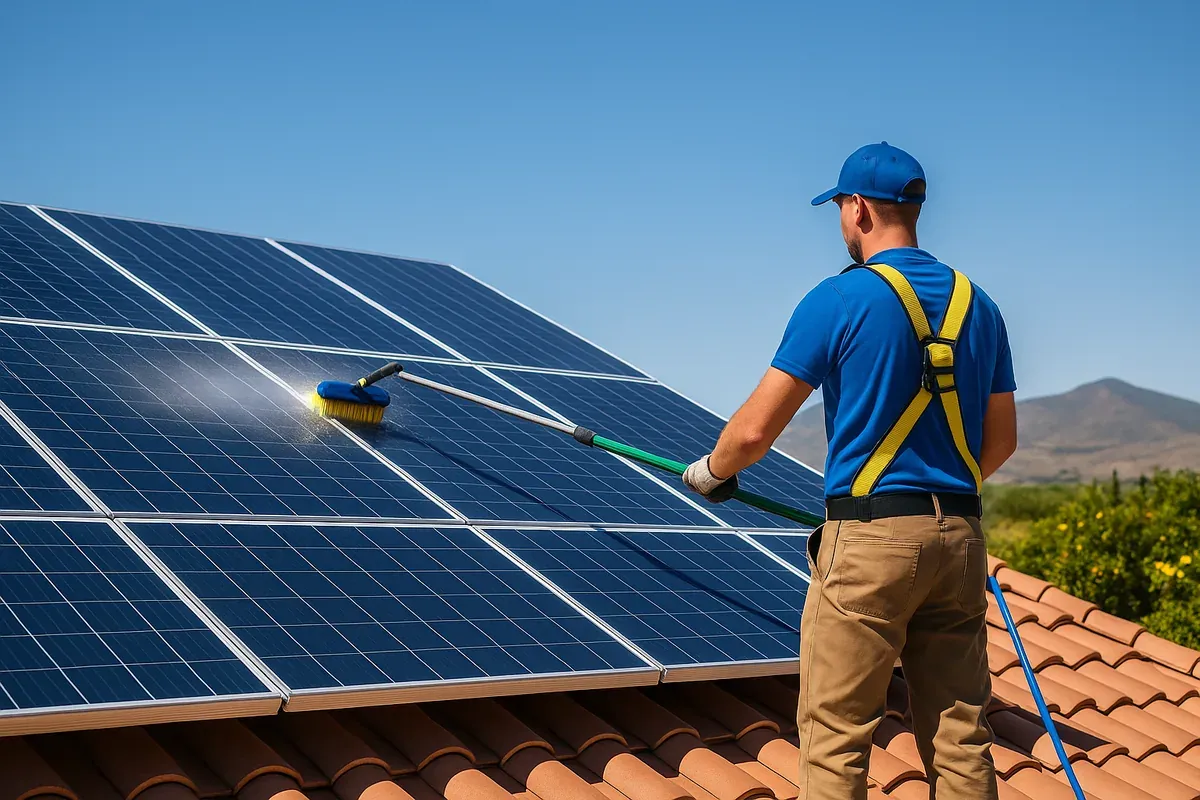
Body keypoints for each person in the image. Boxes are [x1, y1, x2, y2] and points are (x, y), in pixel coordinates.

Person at [682, 141, 1018, 799]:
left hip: (869, 543)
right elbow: (1000, 443)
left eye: (839, 208)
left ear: (857, 207)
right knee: (961, 737)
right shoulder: (980, 306)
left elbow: (752, 433)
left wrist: (711, 472)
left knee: (836, 741)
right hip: (960, 540)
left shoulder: (838, 300)